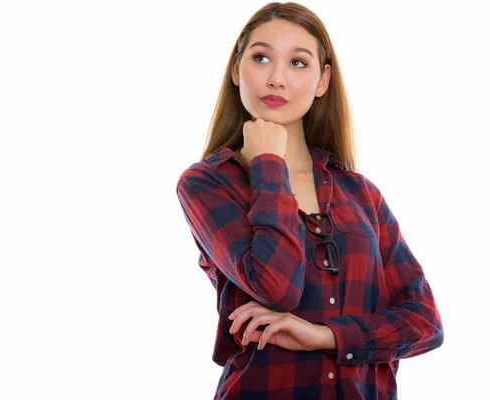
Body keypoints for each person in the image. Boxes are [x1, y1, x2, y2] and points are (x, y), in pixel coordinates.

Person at [175, 2, 444, 399]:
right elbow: (276, 286)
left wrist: (325, 337)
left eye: (298, 63)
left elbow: (424, 322)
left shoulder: (361, 194)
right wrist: (268, 162)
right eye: (261, 57)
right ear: (236, 70)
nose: (277, 79)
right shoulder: (207, 183)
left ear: (323, 80)